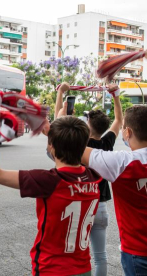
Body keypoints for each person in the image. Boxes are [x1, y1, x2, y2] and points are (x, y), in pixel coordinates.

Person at [0, 105, 102, 276]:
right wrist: (56, 136)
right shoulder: (93, 177)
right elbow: (72, 151)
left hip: (52, 269)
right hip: (83, 268)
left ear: (51, 146)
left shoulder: (49, 180)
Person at [55, 82, 122, 276]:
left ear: (87, 126)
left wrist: (61, 92)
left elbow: (58, 122)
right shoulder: (107, 142)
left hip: (81, 205)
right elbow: (119, 119)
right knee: (100, 256)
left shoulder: (79, 145)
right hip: (101, 206)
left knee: (75, 254)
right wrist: (115, 95)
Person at [81, 105, 147, 276]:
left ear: (128, 132)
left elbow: (69, 148)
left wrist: (58, 120)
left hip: (138, 252)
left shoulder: (120, 162)